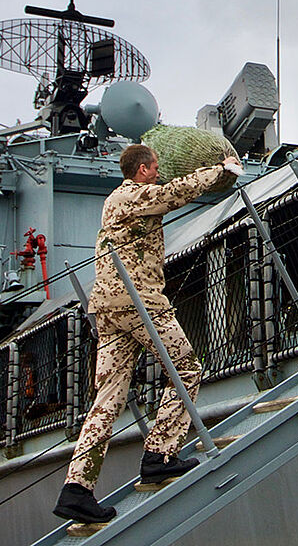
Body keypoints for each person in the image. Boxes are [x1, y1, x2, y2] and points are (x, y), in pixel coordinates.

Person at [53, 144, 241, 527]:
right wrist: (220, 170)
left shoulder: (115, 201)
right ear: (141, 170)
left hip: (107, 307)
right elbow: (175, 194)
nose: (158, 172)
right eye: (155, 167)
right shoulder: (133, 195)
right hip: (138, 300)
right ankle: (160, 455)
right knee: (186, 368)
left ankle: (77, 489)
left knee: (107, 400)